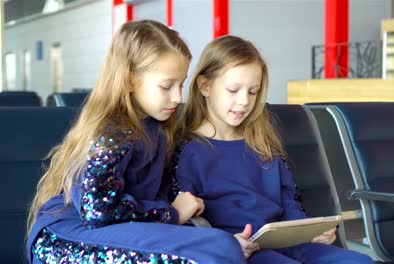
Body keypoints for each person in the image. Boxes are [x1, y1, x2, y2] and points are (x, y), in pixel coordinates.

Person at [26, 20, 245, 264]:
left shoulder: (157, 128)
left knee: (221, 245)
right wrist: (171, 213)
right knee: (219, 249)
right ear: (130, 80)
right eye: (166, 86)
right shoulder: (113, 131)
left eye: (181, 84)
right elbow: (98, 211)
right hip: (69, 241)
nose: (177, 97)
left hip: (117, 231)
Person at [171, 35, 374, 264]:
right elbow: (189, 224)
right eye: (233, 90)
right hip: (241, 250)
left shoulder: (263, 144)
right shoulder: (188, 152)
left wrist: (310, 231)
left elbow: (289, 202)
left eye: (252, 91)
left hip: (288, 242)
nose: (245, 101)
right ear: (205, 86)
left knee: (359, 261)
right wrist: (226, 243)